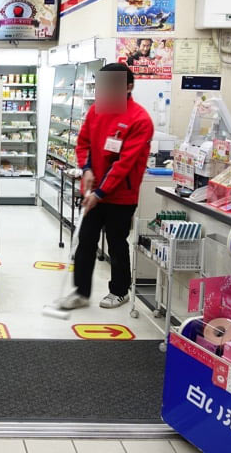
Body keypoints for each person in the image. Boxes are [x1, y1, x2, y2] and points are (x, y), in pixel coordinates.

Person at [59, 63, 154, 310]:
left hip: (121, 196)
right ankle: (80, 292)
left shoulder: (140, 119)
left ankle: (120, 290)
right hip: (93, 191)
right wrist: (87, 168)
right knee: (85, 240)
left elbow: (125, 164)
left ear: (128, 87)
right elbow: (84, 143)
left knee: (116, 242)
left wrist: (101, 192)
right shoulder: (96, 111)